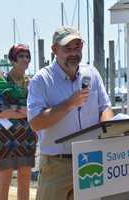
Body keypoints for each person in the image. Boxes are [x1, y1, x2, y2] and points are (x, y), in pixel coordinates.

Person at [27, 26, 114, 200]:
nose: (74, 53)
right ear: (54, 50)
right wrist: (69, 104)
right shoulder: (41, 80)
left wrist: (108, 130)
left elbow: (105, 108)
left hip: (91, 160)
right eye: (68, 49)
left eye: (77, 47)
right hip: (56, 164)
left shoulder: (92, 74)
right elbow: (35, 122)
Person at [0, 44, 37, 200]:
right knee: (5, 176)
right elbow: (2, 111)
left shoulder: (32, 83)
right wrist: (24, 110)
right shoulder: (0, 80)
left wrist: (15, 108)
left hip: (27, 135)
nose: (25, 59)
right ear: (12, 60)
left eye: (27, 56)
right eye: (21, 56)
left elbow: (35, 108)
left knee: (25, 178)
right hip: (5, 136)